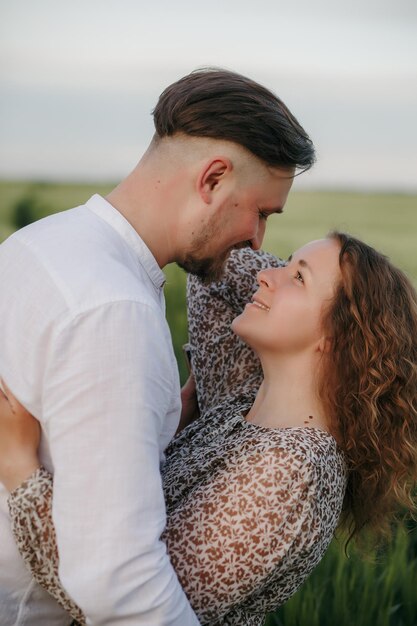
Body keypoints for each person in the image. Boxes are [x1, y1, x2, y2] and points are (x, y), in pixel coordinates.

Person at [0, 68, 315, 625]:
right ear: (213, 179)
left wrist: (158, 428)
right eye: (261, 212)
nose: (258, 242)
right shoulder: (116, 312)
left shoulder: (41, 241)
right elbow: (121, 587)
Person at [1, 232, 417, 625]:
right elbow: (215, 270)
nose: (265, 275)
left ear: (338, 334)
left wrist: (19, 466)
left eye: (298, 277)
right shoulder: (240, 398)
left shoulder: (290, 473)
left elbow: (122, 607)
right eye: (284, 264)